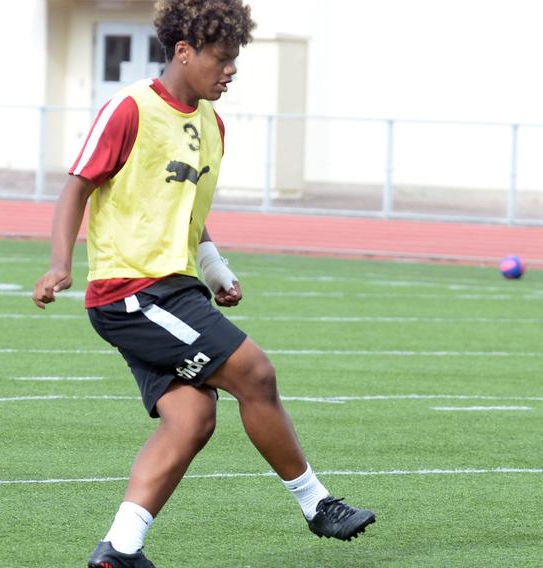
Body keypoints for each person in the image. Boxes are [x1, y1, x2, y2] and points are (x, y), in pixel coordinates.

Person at [31, 1, 375, 566]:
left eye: (235, 59)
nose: (230, 70)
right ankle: (318, 504)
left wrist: (215, 269)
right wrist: (58, 263)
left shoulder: (211, 125)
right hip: (133, 292)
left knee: (192, 419)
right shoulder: (130, 108)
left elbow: (187, 208)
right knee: (255, 372)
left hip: (176, 289)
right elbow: (77, 187)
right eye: (221, 58)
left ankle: (119, 549)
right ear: (184, 51)